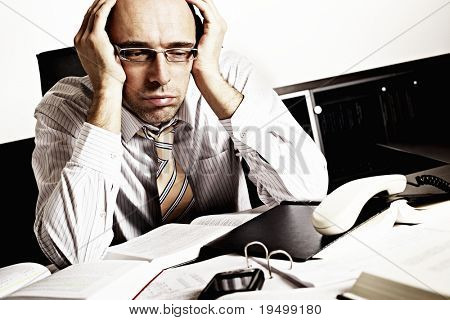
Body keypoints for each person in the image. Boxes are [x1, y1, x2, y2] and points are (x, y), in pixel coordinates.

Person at [32, 0, 328, 268]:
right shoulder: (64, 108)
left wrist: (211, 80)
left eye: (178, 51)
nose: (160, 77)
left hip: (238, 269)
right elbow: (71, 254)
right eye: (135, 52)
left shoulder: (227, 77)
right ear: (102, 52)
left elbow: (307, 194)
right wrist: (107, 87)